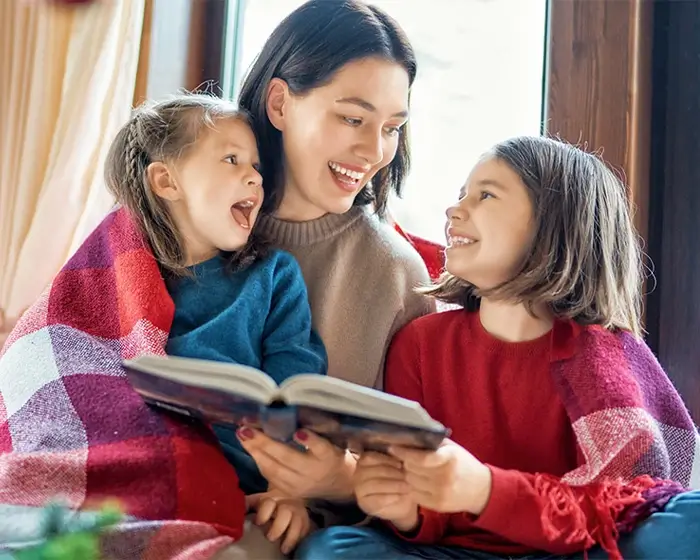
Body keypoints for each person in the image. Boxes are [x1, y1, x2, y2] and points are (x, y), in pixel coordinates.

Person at [295, 136, 700, 560]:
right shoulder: (421, 343)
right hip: (456, 553)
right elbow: (422, 503)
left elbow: (622, 506)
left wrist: (487, 491)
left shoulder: (602, 356)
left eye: (486, 195)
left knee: (687, 522)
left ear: (554, 225)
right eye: (460, 195)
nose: (455, 210)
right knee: (333, 549)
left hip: (576, 549)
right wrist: (406, 512)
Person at [229, 0, 434, 537]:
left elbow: (419, 473)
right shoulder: (184, 225)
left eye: (392, 127)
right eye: (352, 118)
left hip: (293, 534)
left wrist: (335, 481)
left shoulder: (396, 273)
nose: (374, 149)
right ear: (280, 103)